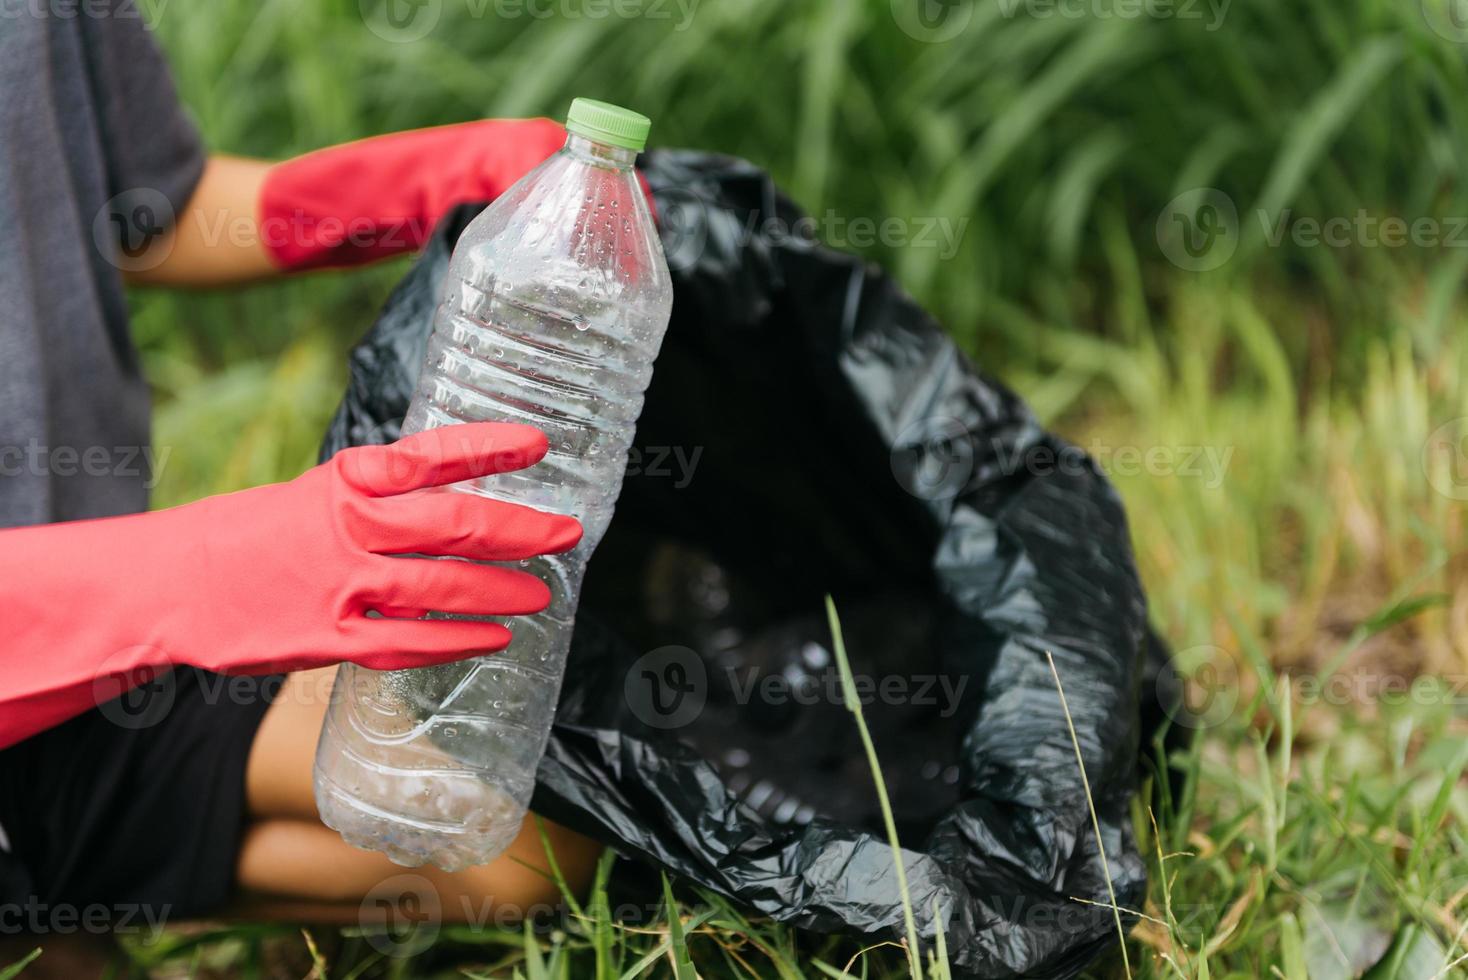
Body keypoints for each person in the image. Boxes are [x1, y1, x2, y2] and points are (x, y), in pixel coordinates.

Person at [0, 3, 607, 932]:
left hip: (83, 673)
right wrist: (189, 574)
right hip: (65, 619)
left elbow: (148, 210)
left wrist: (424, 186)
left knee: (527, 839)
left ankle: (61, 887)